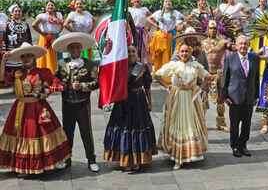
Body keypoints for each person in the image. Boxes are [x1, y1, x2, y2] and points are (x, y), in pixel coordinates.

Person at [0, 43, 70, 175]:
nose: (26, 59)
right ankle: (23, 165)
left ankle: (49, 162)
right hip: (20, 109)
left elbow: (57, 84)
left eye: (29, 56)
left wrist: (50, 89)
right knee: (21, 135)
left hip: (38, 108)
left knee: (41, 134)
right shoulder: (16, 73)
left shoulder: (43, 72)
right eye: (23, 56)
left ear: (34, 58)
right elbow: (2, 79)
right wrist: (4, 61)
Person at [155, 43, 211, 169]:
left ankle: (190, 153)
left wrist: (200, 88)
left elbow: (208, 76)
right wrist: (167, 86)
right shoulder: (174, 65)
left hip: (191, 100)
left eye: (186, 51)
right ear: (178, 53)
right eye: (182, 51)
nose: (184, 54)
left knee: (191, 125)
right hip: (177, 99)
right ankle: (177, 158)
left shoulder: (195, 65)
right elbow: (157, 75)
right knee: (177, 125)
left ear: (190, 52)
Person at [103, 45, 157, 171]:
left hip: (139, 102)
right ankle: (126, 159)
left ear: (137, 54)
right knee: (124, 128)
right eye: (128, 51)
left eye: (133, 51)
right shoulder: (120, 67)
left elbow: (147, 87)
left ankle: (139, 159)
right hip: (123, 102)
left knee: (138, 128)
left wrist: (150, 102)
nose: (131, 53)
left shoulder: (142, 68)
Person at [53, 33, 100, 172]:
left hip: (82, 103)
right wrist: (60, 84)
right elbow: (55, 79)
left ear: (81, 49)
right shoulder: (62, 63)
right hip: (67, 102)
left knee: (86, 131)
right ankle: (67, 159)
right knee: (68, 131)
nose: (75, 50)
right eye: (72, 48)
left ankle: (91, 159)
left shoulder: (89, 63)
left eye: (77, 48)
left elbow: (97, 83)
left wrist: (83, 87)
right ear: (68, 50)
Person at [221, 35, 260, 157]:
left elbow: (256, 78)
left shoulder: (254, 58)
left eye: (245, 43)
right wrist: (225, 95)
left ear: (249, 45)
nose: (243, 46)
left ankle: (243, 145)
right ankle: (235, 146)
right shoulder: (230, 58)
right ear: (236, 45)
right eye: (240, 44)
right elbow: (225, 78)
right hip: (234, 96)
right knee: (234, 124)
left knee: (247, 123)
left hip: (249, 96)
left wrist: (256, 95)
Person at [201, 20, 231, 131]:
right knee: (203, 98)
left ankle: (221, 122)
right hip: (205, 73)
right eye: (211, 28)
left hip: (218, 73)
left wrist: (233, 45)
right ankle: (201, 122)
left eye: (214, 28)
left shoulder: (222, 42)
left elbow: (231, 47)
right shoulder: (202, 42)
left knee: (220, 99)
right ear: (207, 29)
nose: (213, 30)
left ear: (217, 30)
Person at [147, 0, 184, 71]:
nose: (168, 2)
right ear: (163, 4)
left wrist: (180, 25)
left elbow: (184, 18)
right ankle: (160, 71)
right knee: (160, 54)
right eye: (166, 1)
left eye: (170, 1)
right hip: (161, 36)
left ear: (172, 4)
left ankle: (169, 71)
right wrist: (156, 25)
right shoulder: (159, 12)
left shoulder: (175, 13)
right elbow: (148, 18)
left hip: (171, 35)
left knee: (171, 53)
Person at [32, 0, 64, 74]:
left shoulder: (58, 15)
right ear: (45, 7)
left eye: (52, 5)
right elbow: (34, 25)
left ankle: (57, 73)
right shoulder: (42, 16)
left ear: (55, 7)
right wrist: (43, 34)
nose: (50, 6)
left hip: (56, 37)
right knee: (45, 56)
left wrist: (58, 32)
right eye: (48, 5)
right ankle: (45, 72)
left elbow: (63, 24)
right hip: (46, 38)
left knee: (57, 55)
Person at [3, 4, 32, 76]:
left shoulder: (25, 24)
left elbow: (29, 38)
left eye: (19, 11)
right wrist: (5, 51)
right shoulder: (7, 25)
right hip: (11, 51)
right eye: (15, 11)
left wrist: (30, 50)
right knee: (11, 74)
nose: (18, 13)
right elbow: (4, 39)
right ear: (11, 13)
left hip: (23, 52)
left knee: (22, 74)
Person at [128, 0, 151, 64]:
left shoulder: (144, 9)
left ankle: (142, 64)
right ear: (132, 1)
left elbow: (152, 18)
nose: (136, 0)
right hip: (132, 31)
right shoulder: (129, 9)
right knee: (133, 47)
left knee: (143, 48)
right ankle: (133, 63)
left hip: (142, 31)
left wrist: (148, 27)